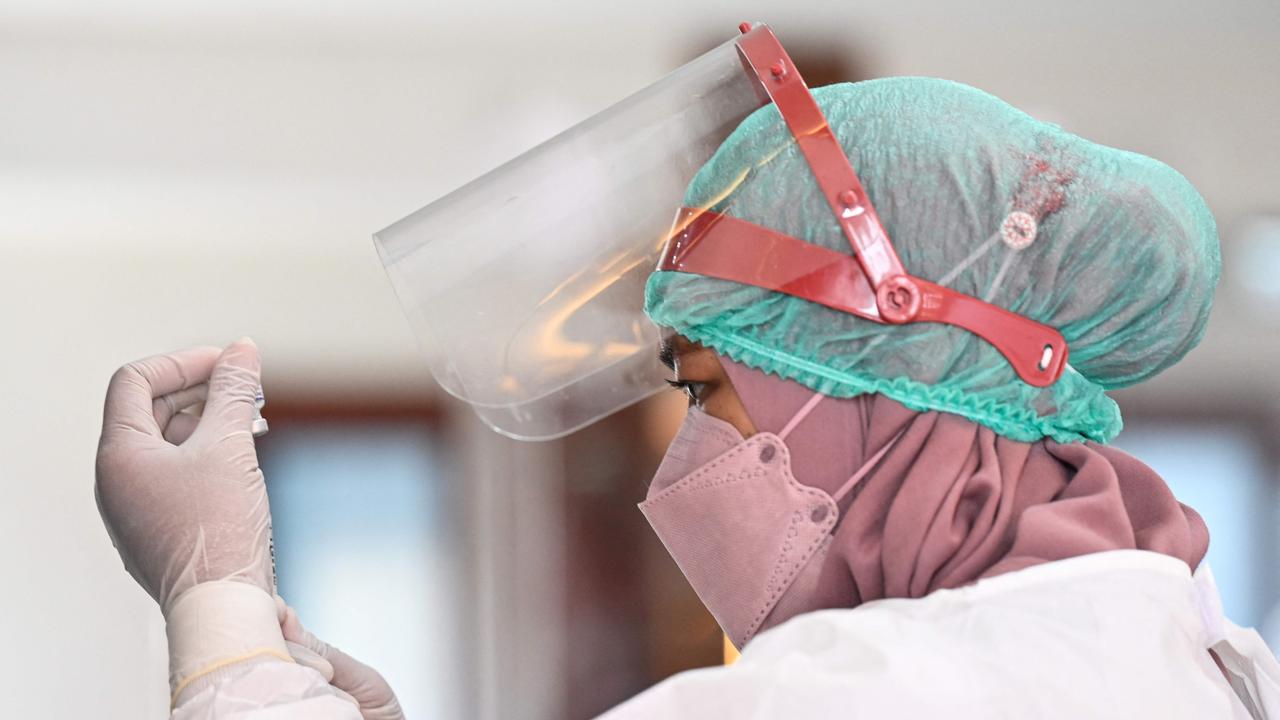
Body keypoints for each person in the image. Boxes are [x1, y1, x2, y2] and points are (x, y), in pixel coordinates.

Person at [96, 73, 1280, 718]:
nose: (686, 450)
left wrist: (218, 609)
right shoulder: (1206, 661)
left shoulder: (862, 697)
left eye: (708, 385)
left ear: (886, 383)